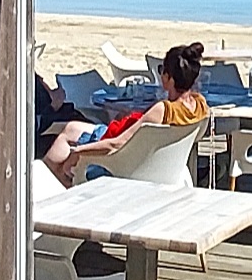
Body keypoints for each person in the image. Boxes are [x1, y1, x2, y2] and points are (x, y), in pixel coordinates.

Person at [45, 43, 211, 183]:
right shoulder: (200, 105)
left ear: (169, 78)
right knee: (72, 128)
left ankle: (51, 185)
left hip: (124, 163)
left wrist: (79, 152)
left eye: (162, 70)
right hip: (159, 163)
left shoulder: (163, 110)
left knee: (62, 151)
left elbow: (116, 144)